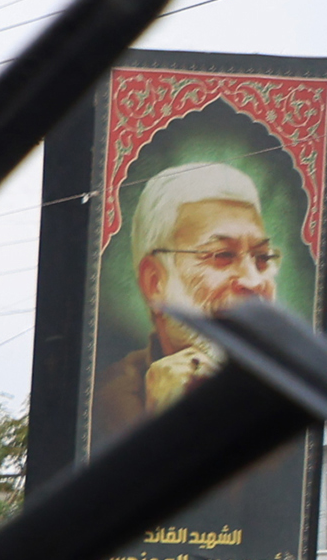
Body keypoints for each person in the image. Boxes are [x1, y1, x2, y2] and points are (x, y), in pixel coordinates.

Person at [89, 162, 286, 435]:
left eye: (262, 258)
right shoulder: (109, 401)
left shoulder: (290, 402)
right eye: (222, 256)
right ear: (155, 281)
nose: (253, 282)